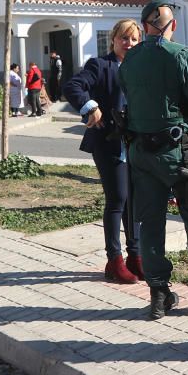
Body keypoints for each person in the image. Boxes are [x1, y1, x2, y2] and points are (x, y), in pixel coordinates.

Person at [118, 0, 188, 320]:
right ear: (173, 27)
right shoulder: (181, 55)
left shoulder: (129, 60)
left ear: (143, 28)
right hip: (176, 154)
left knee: (150, 221)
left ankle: (158, 294)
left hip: (140, 154)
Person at [64, 19, 143, 284]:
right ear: (113, 39)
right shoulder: (100, 65)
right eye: (124, 38)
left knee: (134, 201)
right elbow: (73, 86)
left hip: (137, 144)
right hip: (109, 142)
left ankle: (136, 256)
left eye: (133, 39)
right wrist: (90, 106)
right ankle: (114, 260)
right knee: (118, 198)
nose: (128, 44)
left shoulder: (141, 66)